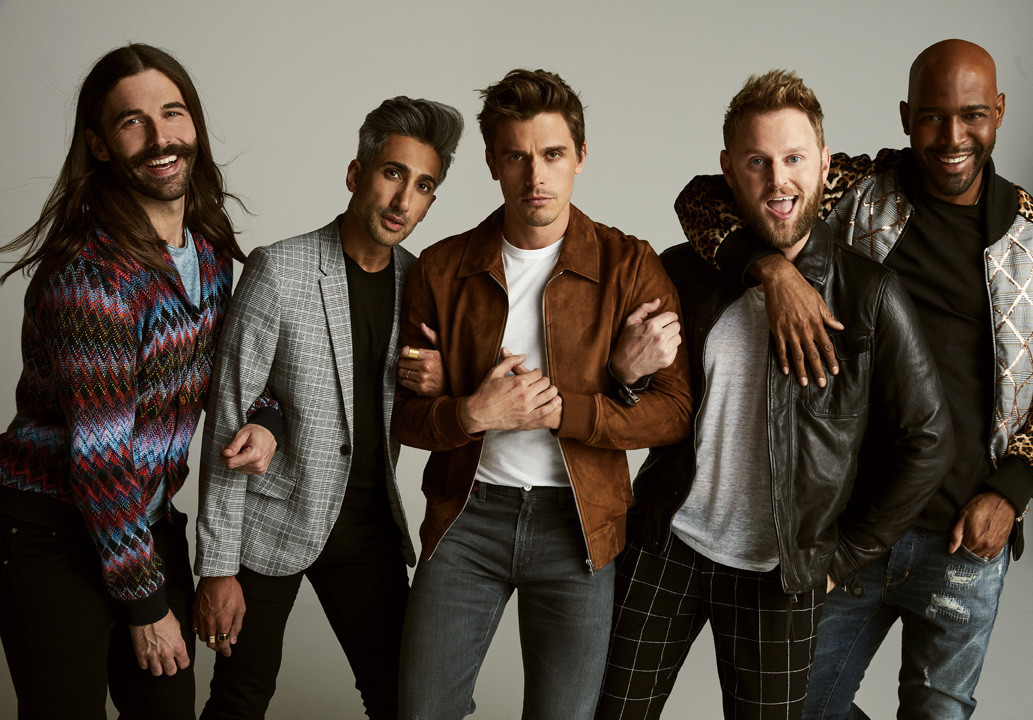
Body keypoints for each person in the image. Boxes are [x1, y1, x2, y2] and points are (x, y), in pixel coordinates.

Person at [675, 40, 1033, 720]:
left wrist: (1013, 490)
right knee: (795, 706)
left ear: (1000, 112)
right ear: (905, 117)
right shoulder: (860, 189)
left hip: (964, 535)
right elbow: (704, 199)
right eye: (932, 116)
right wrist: (771, 271)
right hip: (851, 521)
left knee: (938, 711)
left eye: (973, 115)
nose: (952, 136)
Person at [595, 70, 953, 720]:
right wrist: (623, 374)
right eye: (757, 161)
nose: (778, 180)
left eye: (793, 158)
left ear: (824, 165)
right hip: (664, 542)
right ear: (728, 171)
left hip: (781, 574)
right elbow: (624, 409)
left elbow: (928, 440)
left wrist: (845, 556)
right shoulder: (683, 272)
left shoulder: (868, 295)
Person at [391, 68, 693, 719]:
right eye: (517, 157)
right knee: (421, 710)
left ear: (580, 156)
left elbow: (675, 413)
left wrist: (570, 409)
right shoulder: (442, 268)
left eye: (553, 154)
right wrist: (471, 412)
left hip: (579, 527)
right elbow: (404, 417)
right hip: (467, 518)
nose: (536, 176)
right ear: (492, 164)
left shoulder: (629, 265)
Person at [0, 43, 278, 720]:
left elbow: (242, 371)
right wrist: (147, 607)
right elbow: (99, 464)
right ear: (98, 144)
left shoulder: (208, 252)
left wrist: (265, 418)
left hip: (147, 526)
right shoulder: (91, 277)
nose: (161, 138)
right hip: (50, 537)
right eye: (133, 122)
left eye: (172, 113)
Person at [193, 97, 463, 720]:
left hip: (367, 527)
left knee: (403, 701)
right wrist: (217, 568)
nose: (403, 200)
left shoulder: (419, 284)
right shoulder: (278, 270)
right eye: (392, 173)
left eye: (423, 186)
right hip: (271, 521)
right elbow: (230, 416)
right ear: (355, 174)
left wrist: (443, 381)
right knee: (239, 702)